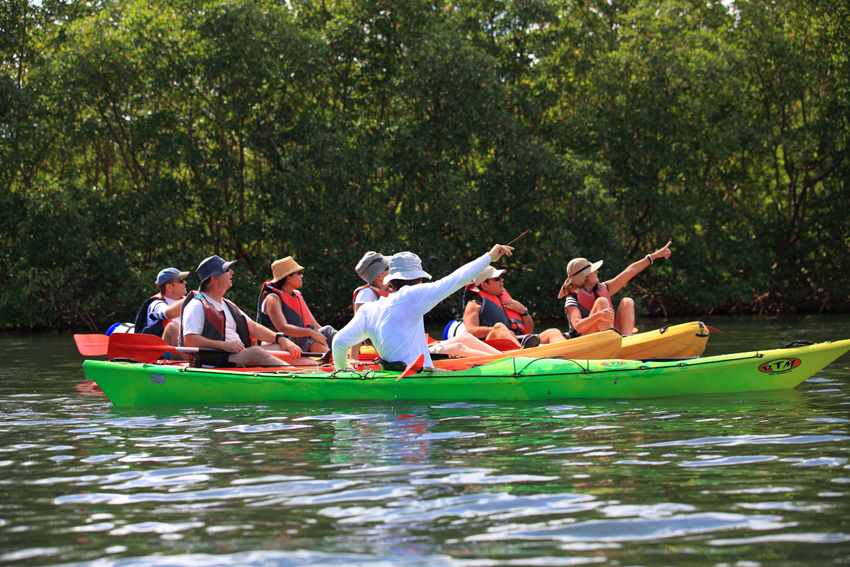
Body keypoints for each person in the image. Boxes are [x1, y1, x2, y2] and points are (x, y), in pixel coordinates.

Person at [332, 244, 514, 370]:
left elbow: (338, 342)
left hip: (395, 383)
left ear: (391, 280)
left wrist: (342, 372)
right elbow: (458, 278)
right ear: (419, 279)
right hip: (418, 386)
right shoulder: (412, 294)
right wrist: (489, 256)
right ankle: (513, 360)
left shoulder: (368, 310)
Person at [180, 255, 305, 367]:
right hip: (217, 359)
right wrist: (223, 345)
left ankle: (317, 368)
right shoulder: (196, 305)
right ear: (214, 278)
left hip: (237, 354)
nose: (232, 272)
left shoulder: (228, 304)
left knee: (281, 347)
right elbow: (190, 340)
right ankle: (295, 377)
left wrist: (280, 339)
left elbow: (253, 327)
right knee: (256, 352)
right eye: (227, 270)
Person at [559, 241, 672, 337]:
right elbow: (578, 326)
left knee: (627, 301)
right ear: (585, 277)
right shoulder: (572, 299)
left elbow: (629, 272)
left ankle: (625, 343)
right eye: (593, 271)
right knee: (602, 302)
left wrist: (653, 256)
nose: (597, 271)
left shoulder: (602, 288)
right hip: (586, 342)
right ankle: (613, 344)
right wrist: (597, 316)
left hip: (608, 338)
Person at [464, 266, 566, 347]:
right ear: (484, 286)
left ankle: (568, 357)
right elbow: (471, 331)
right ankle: (523, 355)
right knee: (499, 327)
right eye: (497, 278)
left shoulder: (510, 302)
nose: (502, 280)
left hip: (518, 341)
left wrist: (524, 312)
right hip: (493, 345)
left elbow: (529, 331)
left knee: (553, 332)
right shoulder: (474, 304)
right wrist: (497, 330)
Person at [256, 256, 337, 354]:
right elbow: (283, 328)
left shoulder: (297, 295)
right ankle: (333, 359)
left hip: (301, 339)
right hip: (280, 345)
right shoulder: (272, 299)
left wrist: (324, 337)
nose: (302, 276)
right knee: (307, 335)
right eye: (299, 273)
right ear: (288, 277)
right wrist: (311, 333)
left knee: (327, 330)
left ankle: (352, 351)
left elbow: (315, 326)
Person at [133, 267, 189, 347]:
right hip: (161, 352)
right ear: (169, 287)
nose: (185, 282)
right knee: (173, 327)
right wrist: (191, 297)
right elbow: (169, 313)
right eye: (180, 280)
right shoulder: (156, 304)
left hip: (183, 346)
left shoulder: (186, 300)